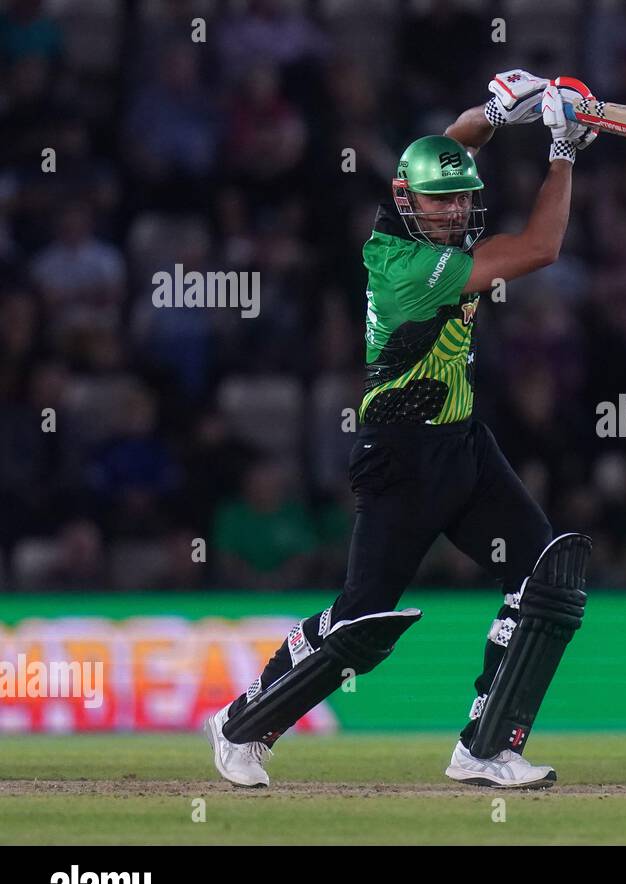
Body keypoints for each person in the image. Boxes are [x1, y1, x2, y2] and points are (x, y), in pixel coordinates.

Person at [203, 69, 598, 789]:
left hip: (464, 443)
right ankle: (241, 725)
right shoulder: (411, 266)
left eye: (461, 199)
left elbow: (449, 144)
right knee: (360, 625)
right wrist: (565, 147)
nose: (453, 212)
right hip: (402, 456)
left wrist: (496, 108)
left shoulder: (405, 214)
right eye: (439, 202)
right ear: (406, 203)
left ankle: (484, 748)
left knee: (547, 578)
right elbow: (540, 248)